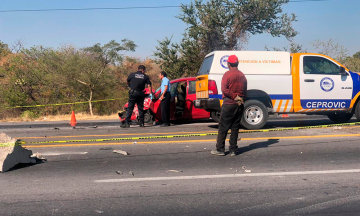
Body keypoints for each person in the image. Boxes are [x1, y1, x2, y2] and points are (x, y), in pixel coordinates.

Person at [211, 55, 247, 156]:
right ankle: (233, 150)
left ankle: (220, 149)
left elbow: (224, 90)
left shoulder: (227, 75)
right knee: (235, 128)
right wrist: (241, 100)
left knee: (223, 127)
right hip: (239, 105)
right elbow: (245, 91)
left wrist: (234, 96)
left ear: (229, 64)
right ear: (237, 64)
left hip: (229, 104)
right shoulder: (242, 75)